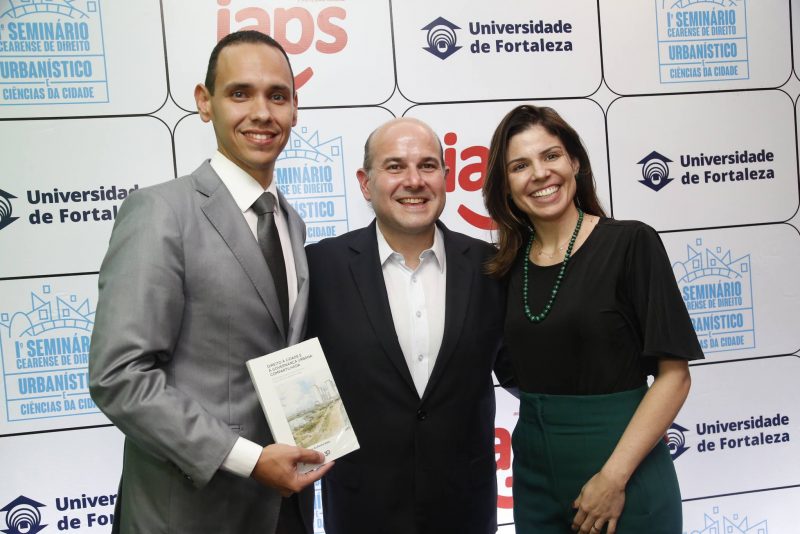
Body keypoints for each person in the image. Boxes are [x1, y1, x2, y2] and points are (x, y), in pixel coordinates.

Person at [88, 30, 332, 534]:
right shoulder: (160, 212)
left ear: (294, 110)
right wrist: (246, 458)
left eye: (277, 96)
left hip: (284, 506)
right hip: (189, 513)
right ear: (205, 103)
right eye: (239, 93)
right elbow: (120, 376)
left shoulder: (290, 220)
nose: (262, 113)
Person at [482, 105, 703, 534]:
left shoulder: (630, 243)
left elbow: (675, 376)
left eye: (551, 156)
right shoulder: (503, 268)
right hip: (533, 475)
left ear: (575, 163)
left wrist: (613, 478)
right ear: (505, 186)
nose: (540, 174)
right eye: (520, 166)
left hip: (624, 471)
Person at [306, 117, 512, 534]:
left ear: (446, 177)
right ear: (366, 183)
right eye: (395, 166)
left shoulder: (491, 268)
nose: (414, 181)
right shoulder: (319, 267)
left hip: (465, 510)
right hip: (361, 510)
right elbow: (294, 380)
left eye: (428, 166)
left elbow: (521, 371)